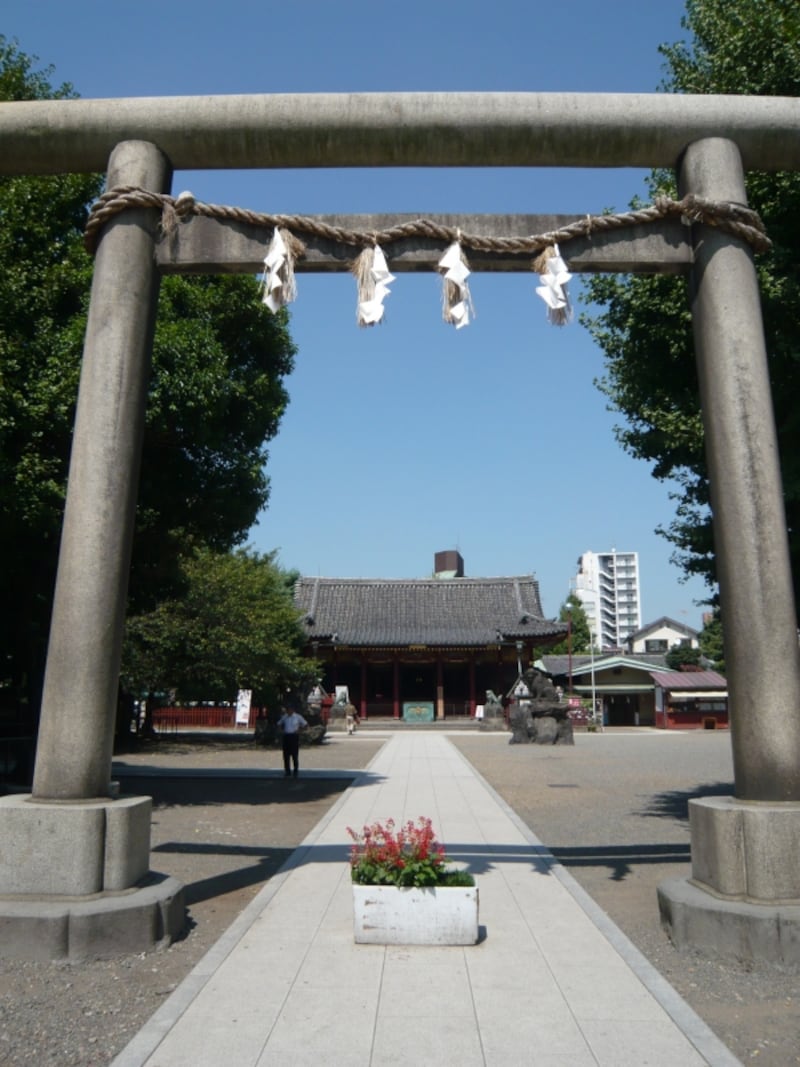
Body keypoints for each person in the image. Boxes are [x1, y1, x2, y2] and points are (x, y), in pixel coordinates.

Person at [277, 704, 308, 778]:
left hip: (294, 736)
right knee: (286, 755)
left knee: (294, 754)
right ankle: (287, 771)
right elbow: (278, 723)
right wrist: (281, 730)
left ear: (293, 710)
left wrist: (300, 730)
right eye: (287, 710)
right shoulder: (285, 717)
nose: (288, 711)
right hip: (286, 736)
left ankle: (295, 770)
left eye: (290, 710)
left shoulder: (297, 717)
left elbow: (306, 725)